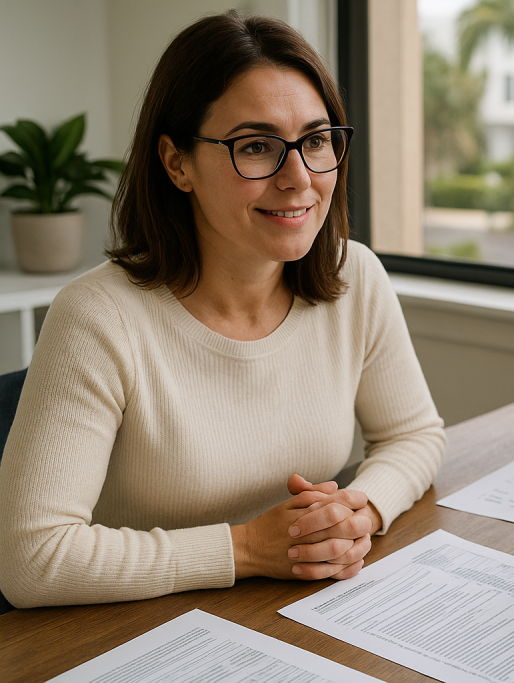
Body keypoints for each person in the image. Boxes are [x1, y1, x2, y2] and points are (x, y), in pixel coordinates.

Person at [0, 12, 445, 609]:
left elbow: (414, 435)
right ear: (176, 162)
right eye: (256, 147)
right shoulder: (95, 318)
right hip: (134, 631)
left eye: (316, 141)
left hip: (296, 613)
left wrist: (360, 509)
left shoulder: (352, 274)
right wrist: (250, 549)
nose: (299, 179)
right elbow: (32, 559)